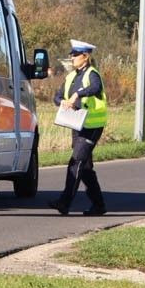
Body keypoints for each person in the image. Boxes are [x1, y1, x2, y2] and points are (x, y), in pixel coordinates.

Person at [49, 39, 108, 216]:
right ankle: (99, 205)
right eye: (72, 55)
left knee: (76, 162)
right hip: (77, 125)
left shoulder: (92, 74)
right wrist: (63, 102)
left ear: (86, 56)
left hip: (92, 126)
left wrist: (78, 94)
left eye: (75, 55)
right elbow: (57, 97)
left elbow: (95, 88)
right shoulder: (71, 76)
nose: (72, 58)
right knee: (86, 168)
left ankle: (64, 202)